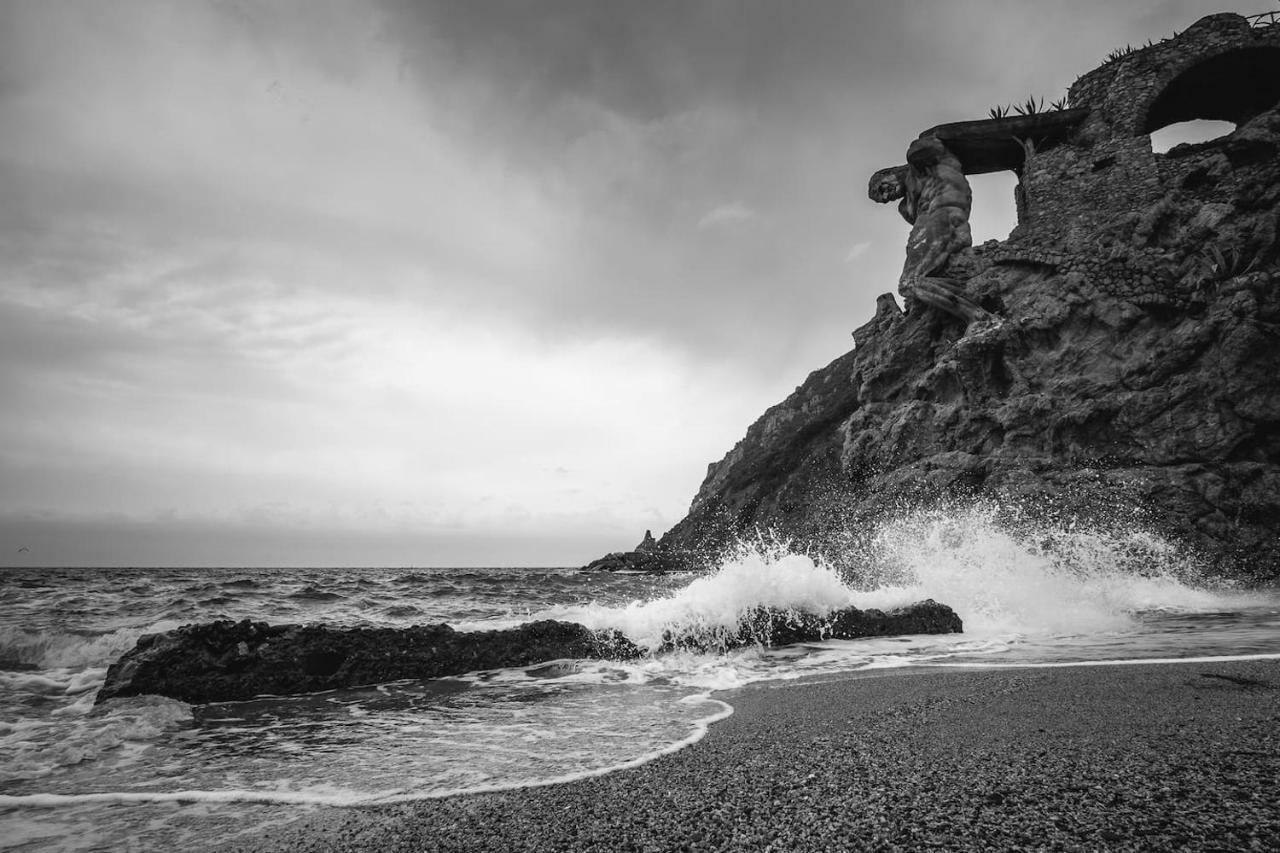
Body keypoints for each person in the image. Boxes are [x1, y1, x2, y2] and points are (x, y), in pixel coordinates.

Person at [868, 137, 996, 325]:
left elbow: (932, 145)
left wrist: (917, 152)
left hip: (942, 216)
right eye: (884, 199)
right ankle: (965, 296)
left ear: (888, 174)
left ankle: (979, 317)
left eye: (883, 189)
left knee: (909, 283)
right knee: (918, 283)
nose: (888, 196)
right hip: (950, 226)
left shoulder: (920, 165)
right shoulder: (907, 206)